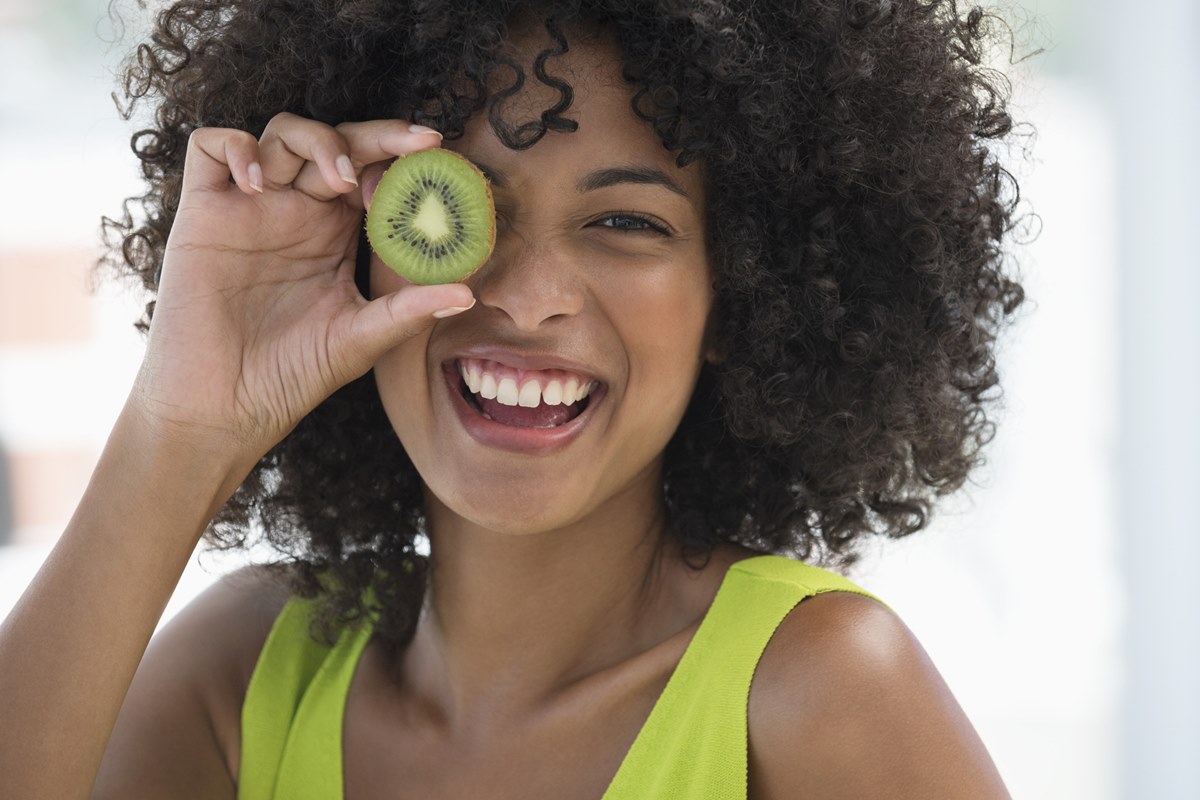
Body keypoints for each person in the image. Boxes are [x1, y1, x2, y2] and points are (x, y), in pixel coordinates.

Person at [0, 0, 1026, 797]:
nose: (530, 301)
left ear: (745, 296)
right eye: (461, 207)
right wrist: (181, 426)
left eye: (627, 222)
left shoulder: (820, 688)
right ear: (362, 247)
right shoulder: (249, 671)